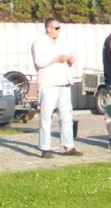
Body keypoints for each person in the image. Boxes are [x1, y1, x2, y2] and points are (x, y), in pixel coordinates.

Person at [32, 18, 80, 157]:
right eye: (56, 28)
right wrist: (56, 59)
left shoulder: (62, 42)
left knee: (66, 116)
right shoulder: (39, 42)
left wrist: (70, 60)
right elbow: (39, 62)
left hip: (63, 82)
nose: (59, 30)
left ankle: (69, 145)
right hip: (48, 83)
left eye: (59, 28)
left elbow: (69, 58)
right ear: (49, 28)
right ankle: (45, 147)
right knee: (46, 116)